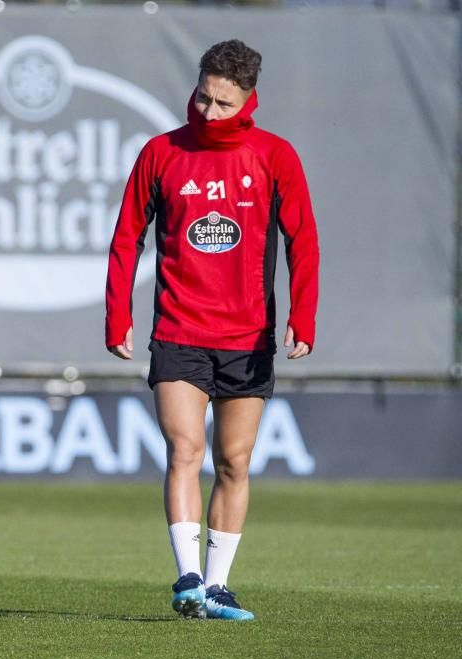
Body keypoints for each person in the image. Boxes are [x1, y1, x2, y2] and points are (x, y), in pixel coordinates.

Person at [105, 39, 318, 621]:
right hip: (178, 329)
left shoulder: (274, 155)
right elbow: (127, 237)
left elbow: (303, 239)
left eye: (223, 104)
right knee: (184, 449)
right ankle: (189, 579)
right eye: (202, 98)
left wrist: (304, 315)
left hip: (248, 338)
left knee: (234, 461)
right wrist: (117, 315)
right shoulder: (161, 153)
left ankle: (219, 588)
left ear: (249, 100)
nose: (207, 113)